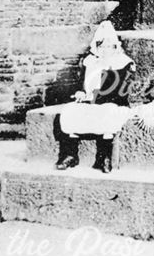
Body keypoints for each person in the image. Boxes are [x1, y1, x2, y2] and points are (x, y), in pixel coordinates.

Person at [55, 20, 136, 173]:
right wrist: (80, 91)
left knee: (106, 113)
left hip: (112, 101)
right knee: (70, 110)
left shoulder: (122, 63)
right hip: (90, 101)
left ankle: (105, 158)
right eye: (102, 46)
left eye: (109, 46)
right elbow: (81, 84)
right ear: (97, 47)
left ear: (115, 47)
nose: (105, 50)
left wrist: (94, 98)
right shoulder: (90, 62)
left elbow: (118, 91)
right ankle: (70, 155)